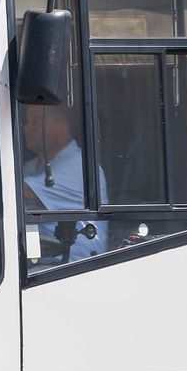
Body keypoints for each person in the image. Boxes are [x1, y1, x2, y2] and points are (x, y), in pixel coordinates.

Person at [22, 104, 107, 262]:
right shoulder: (30, 167)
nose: (26, 128)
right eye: (27, 121)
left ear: (61, 129)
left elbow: (18, 192)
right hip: (39, 262)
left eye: (35, 122)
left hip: (73, 269)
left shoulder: (79, 165)